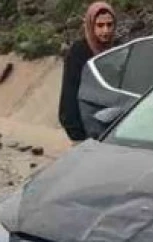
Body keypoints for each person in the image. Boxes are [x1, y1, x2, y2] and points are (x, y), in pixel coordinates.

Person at [59, 2, 117, 143]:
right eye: (100, 25)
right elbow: (69, 94)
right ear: (91, 26)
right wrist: (77, 134)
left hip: (110, 131)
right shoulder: (79, 52)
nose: (105, 30)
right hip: (84, 133)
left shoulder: (117, 50)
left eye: (109, 25)